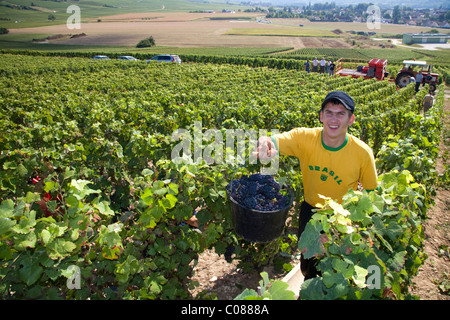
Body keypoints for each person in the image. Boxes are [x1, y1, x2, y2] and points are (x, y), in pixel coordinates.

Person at [253, 91, 378, 280]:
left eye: (340, 114)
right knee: (308, 264)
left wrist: (350, 229)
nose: (333, 119)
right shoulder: (305, 138)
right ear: (321, 116)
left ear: (351, 119)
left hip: (342, 219)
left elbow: (371, 197)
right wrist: (265, 144)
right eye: (329, 112)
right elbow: (273, 140)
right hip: (310, 212)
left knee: (332, 270)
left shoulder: (362, 153)